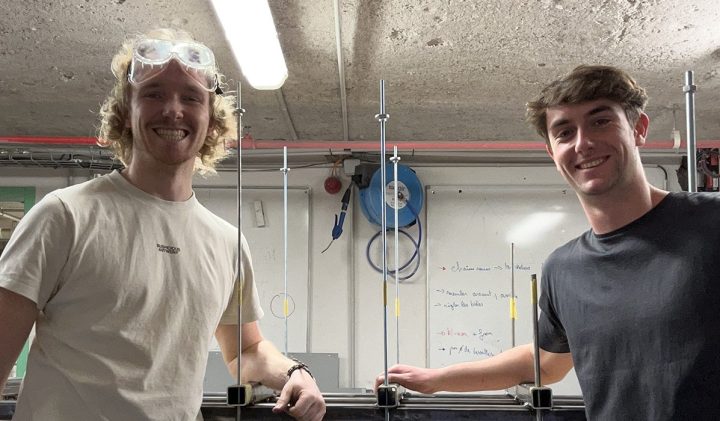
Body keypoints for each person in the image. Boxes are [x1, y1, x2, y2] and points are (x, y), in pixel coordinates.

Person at [0, 28, 325, 421]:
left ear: (211, 120)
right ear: (126, 111)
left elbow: (245, 351)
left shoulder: (228, 244)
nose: (173, 110)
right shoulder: (64, 216)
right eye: (154, 94)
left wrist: (296, 372)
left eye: (191, 97)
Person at [376, 65, 720, 420]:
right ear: (552, 153)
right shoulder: (564, 269)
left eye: (600, 121)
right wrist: (436, 379)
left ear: (639, 129)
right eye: (565, 132)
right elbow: (544, 362)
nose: (582, 143)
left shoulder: (711, 222)